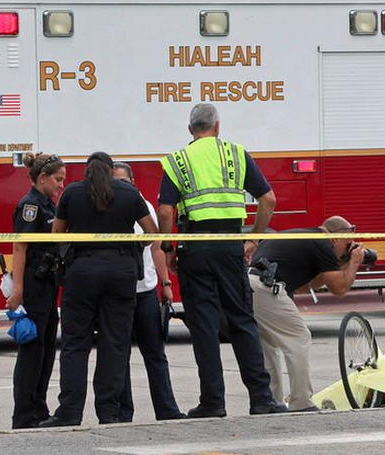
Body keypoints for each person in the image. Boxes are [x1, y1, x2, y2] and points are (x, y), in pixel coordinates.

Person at [157, 103, 286, 418]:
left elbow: (164, 210)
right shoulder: (236, 154)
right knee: (242, 320)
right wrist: (253, 238)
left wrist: (169, 247)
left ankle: (213, 402)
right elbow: (268, 198)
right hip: (230, 246)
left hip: (195, 248)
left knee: (203, 326)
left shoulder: (178, 160)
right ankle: (261, 398)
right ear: (217, 127)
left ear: (191, 131)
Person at [40, 152, 157, 427]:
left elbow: (57, 234)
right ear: (110, 169)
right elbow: (151, 232)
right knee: (114, 345)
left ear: (87, 170)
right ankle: (109, 412)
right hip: (121, 273)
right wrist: (130, 249)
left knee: (74, 345)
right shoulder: (129, 193)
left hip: (81, 273)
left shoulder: (71, 193)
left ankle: (69, 412)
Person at [250, 216, 365, 412]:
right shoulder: (322, 244)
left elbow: (306, 286)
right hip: (268, 287)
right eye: (348, 243)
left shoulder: (307, 237)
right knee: (299, 338)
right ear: (336, 238)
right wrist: (354, 262)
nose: (350, 248)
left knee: (268, 345)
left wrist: (341, 265)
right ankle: (301, 402)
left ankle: (271, 402)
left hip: (252, 284)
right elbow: (339, 289)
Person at [112, 162, 185, 422]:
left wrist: (165, 285)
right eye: (114, 180)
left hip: (145, 292)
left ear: (133, 181)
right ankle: (123, 413)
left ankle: (167, 410)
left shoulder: (145, 206)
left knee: (155, 353)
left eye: (123, 180)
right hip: (118, 293)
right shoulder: (108, 207)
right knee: (120, 355)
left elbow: (156, 248)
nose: (119, 185)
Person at [7, 152, 66, 429]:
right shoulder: (30, 206)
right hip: (32, 284)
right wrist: (18, 288)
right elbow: (20, 248)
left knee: (45, 350)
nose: (61, 184)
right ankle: (23, 414)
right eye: (58, 179)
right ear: (42, 178)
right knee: (32, 350)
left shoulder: (48, 204)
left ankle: (39, 408)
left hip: (47, 284)